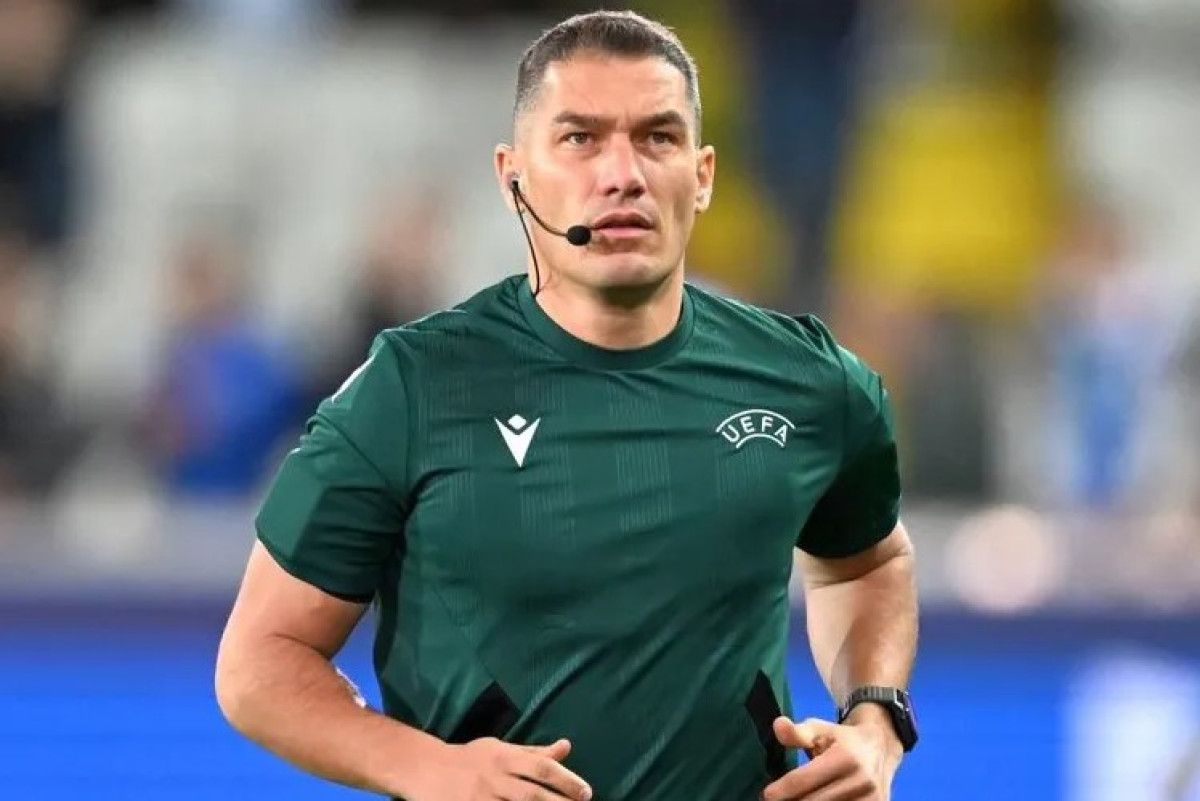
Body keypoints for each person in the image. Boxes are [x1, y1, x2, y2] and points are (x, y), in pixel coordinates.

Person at [215, 10, 919, 801]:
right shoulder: (413, 387)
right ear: (513, 176)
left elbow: (868, 562)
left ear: (703, 175)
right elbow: (260, 661)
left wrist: (876, 717)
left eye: (658, 137)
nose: (623, 174)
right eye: (581, 138)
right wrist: (427, 765)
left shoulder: (809, 381)